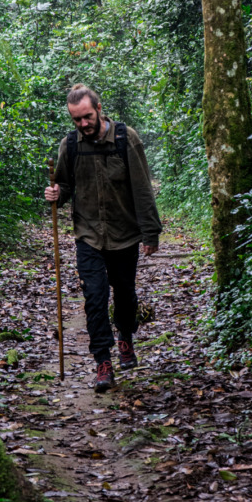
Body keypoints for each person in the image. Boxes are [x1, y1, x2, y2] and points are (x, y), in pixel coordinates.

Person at [44, 84, 162, 393]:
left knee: (124, 295)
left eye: (86, 117)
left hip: (124, 235)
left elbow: (142, 188)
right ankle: (103, 363)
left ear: (98, 109)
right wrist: (56, 193)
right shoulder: (69, 146)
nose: (83, 124)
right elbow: (65, 186)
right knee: (94, 299)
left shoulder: (126, 138)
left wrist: (151, 232)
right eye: (76, 120)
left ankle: (125, 335)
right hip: (89, 235)